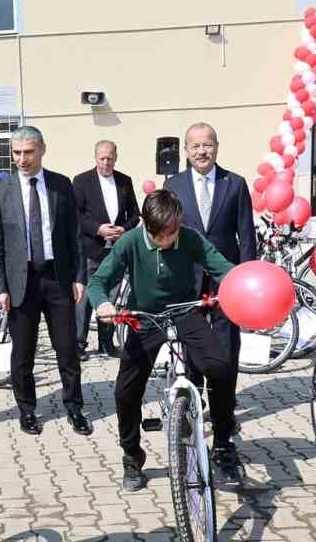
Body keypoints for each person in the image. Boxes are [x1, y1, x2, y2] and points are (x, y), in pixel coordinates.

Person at [89, 190, 235, 491]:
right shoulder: (130, 241)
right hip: (145, 316)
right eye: (160, 235)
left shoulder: (190, 237)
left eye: (172, 232)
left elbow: (223, 268)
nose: (167, 240)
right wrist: (102, 304)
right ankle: (131, 455)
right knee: (125, 390)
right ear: (145, 224)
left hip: (185, 311)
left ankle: (222, 445)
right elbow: (99, 281)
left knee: (220, 368)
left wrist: (242, 284)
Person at [165, 122, 253, 483]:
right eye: (195, 146)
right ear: (186, 150)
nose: (202, 151)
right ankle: (192, 428)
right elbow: (164, 238)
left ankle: (223, 441)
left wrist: (246, 282)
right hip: (188, 288)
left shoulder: (235, 183)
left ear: (217, 146)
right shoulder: (174, 186)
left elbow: (246, 237)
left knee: (227, 360)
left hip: (225, 286)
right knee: (195, 360)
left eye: (207, 145)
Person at [0, 126, 88, 437]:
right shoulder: (1, 192)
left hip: (57, 278)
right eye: (16, 153)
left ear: (42, 149)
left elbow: (74, 235)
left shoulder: (60, 185)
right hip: (21, 282)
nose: (22, 159)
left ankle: (74, 406)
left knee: (67, 347)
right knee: (23, 352)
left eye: (28, 152)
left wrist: (79, 277)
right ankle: (27, 409)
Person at [74, 140, 141, 360]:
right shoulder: (82, 181)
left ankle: (106, 343)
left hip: (115, 251)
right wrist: (98, 229)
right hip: (90, 250)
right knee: (84, 298)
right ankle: (79, 344)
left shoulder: (124, 181)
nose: (106, 162)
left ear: (116, 157)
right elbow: (76, 215)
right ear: (95, 157)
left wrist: (123, 228)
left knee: (111, 297)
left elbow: (134, 214)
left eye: (110, 158)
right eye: (102, 158)